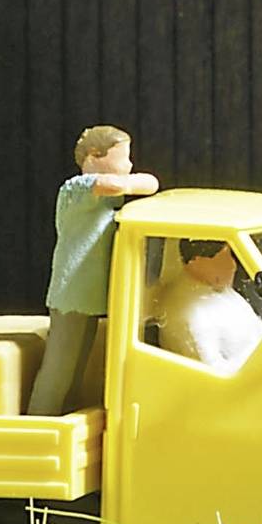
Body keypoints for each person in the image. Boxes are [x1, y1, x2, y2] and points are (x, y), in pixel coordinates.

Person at [27, 123, 159, 414]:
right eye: (123, 158)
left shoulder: (108, 194)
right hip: (71, 293)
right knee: (58, 372)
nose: (129, 165)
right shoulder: (76, 188)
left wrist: (129, 181)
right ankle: (40, 424)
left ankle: (62, 419)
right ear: (95, 156)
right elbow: (116, 184)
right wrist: (128, 182)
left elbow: (151, 183)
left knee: (76, 370)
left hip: (89, 295)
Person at [151, 239, 261, 373]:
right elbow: (216, 374)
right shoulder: (191, 313)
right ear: (196, 260)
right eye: (224, 258)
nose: (233, 265)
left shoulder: (217, 288)